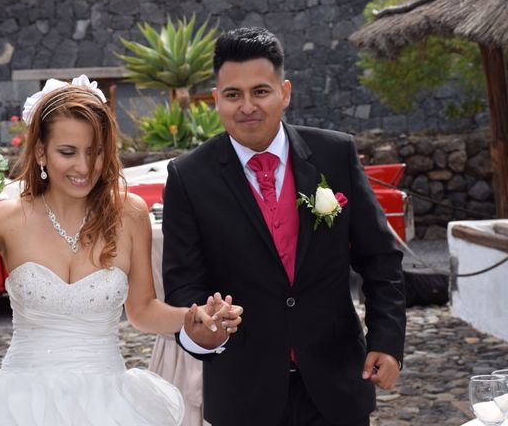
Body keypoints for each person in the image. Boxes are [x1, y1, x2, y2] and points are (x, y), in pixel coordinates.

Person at [0, 75, 242, 426]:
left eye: (95, 151)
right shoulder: (5, 218)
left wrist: (192, 319)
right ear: (40, 151)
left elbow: (143, 311)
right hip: (18, 406)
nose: (84, 168)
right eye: (68, 152)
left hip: (111, 405)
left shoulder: (130, 213)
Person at [162, 28, 406, 426]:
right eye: (232, 94)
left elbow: (380, 259)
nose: (247, 107)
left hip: (337, 386)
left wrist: (387, 341)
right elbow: (183, 283)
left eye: (260, 91)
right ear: (216, 99)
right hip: (245, 395)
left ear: (284, 92)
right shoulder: (189, 177)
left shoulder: (335, 154)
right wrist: (206, 326)